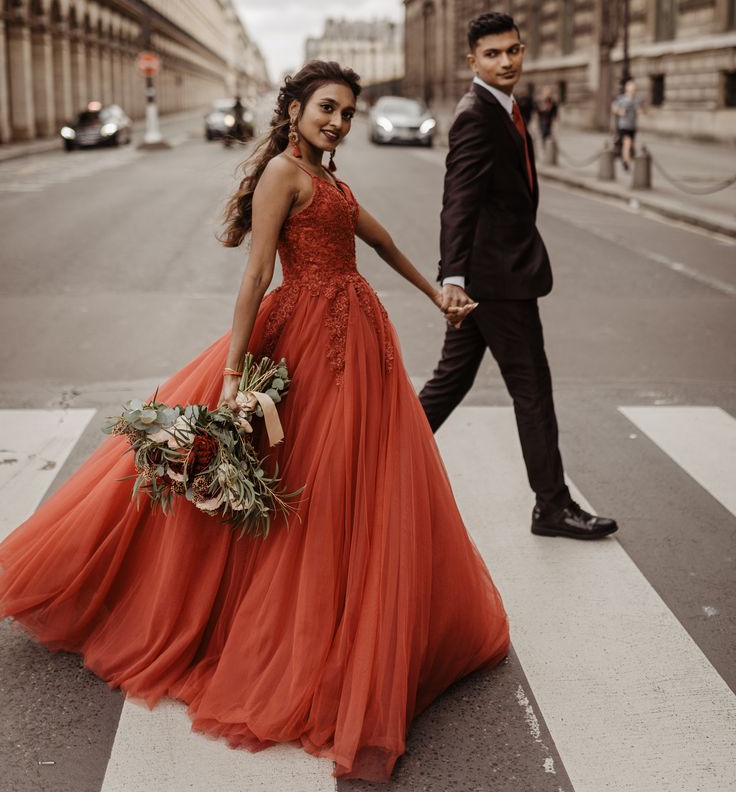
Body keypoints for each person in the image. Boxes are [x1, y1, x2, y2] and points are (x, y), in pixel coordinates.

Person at [0, 61, 509, 783]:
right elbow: (256, 272)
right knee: (300, 477)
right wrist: (234, 375)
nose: (337, 120)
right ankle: (293, 629)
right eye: (326, 108)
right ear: (295, 107)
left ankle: (345, 618)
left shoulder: (331, 179)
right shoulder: (283, 175)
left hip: (360, 343)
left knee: (348, 480)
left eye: (346, 112)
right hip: (302, 339)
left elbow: (384, 242)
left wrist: (437, 295)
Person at [419, 13, 618, 542]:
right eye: (493, 54)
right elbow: (458, 201)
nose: (506, 61)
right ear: (473, 61)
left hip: (493, 275)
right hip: (496, 282)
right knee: (532, 389)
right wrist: (454, 276)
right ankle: (551, 506)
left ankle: (369, 466)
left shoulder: (502, 107)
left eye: (513, 50)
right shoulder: (477, 114)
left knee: (447, 385)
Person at [611, 77, 644, 171]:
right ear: (627, 87)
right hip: (623, 125)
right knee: (627, 143)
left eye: (634, 87)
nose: (633, 88)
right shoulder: (621, 98)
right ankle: (626, 162)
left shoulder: (638, 99)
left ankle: (621, 156)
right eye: (631, 86)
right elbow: (613, 108)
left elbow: (641, 110)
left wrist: (640, 110)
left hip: (632, 126)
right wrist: (620, 111)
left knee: (631, 144)